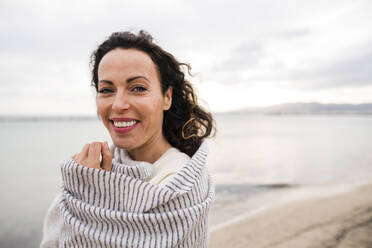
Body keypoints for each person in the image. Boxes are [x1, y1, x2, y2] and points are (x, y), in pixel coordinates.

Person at [41, 30, 215, 247]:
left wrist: (92, 198)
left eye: (138, 88)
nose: (118, 104)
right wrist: (87, 188)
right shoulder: (91, 171)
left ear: (167, 97)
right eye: (106, 89)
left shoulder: (185, 186)